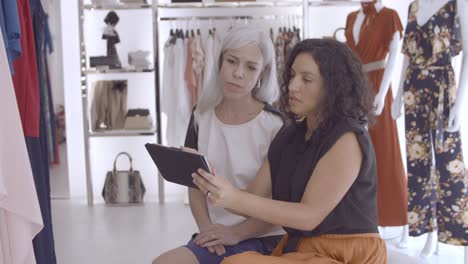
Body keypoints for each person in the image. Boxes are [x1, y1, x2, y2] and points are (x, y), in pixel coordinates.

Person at [192, 39, 387, 264]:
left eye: (307, 79)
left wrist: (233, 198)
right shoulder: (289, 135)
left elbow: (308, 217)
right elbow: (248, 202)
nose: (293, 86)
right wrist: (207, 177)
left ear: (334, 87)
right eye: (292, 76)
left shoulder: (347, 138)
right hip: (301, 250)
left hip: (347, 255)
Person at [153, 25, 285, 264]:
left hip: (265, 235)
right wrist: (207, 230)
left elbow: (282, 204)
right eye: (232, 61)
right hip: (217, 233)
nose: (238, 73)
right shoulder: (200, 116)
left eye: (250, 67)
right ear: (219, 63)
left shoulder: (276, 126)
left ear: (261, 74)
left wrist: (237, 234)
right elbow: (194, 187)